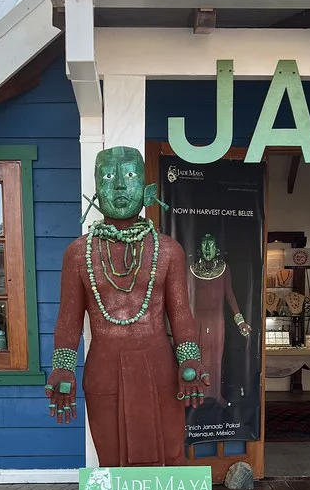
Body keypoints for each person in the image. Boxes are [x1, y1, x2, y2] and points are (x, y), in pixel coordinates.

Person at [45, 146, 209, 467]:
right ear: (96, 189)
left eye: (130, 175)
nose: (120, 185)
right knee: (112, 461)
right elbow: (68, 320)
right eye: (108, 177)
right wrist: (63, 367)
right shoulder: (78, 254)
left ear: (147, 189)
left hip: (159, 367)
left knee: (171, 454)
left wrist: (189, 358)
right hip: (104, 369)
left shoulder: (168, 251)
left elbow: (180, 314)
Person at [189, 234, 250, 406]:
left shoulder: (224, 268)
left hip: (217, 320)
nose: (208, 249)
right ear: (199, 249)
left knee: (216, 357)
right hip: (196, 320)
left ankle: (215, 395)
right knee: (197, 357)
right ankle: (197, 395)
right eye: (205, 245)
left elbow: (230, 295)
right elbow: (187, 297)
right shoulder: (192, 269)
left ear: (216, 249)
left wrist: (240, 322)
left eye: (211, 245)